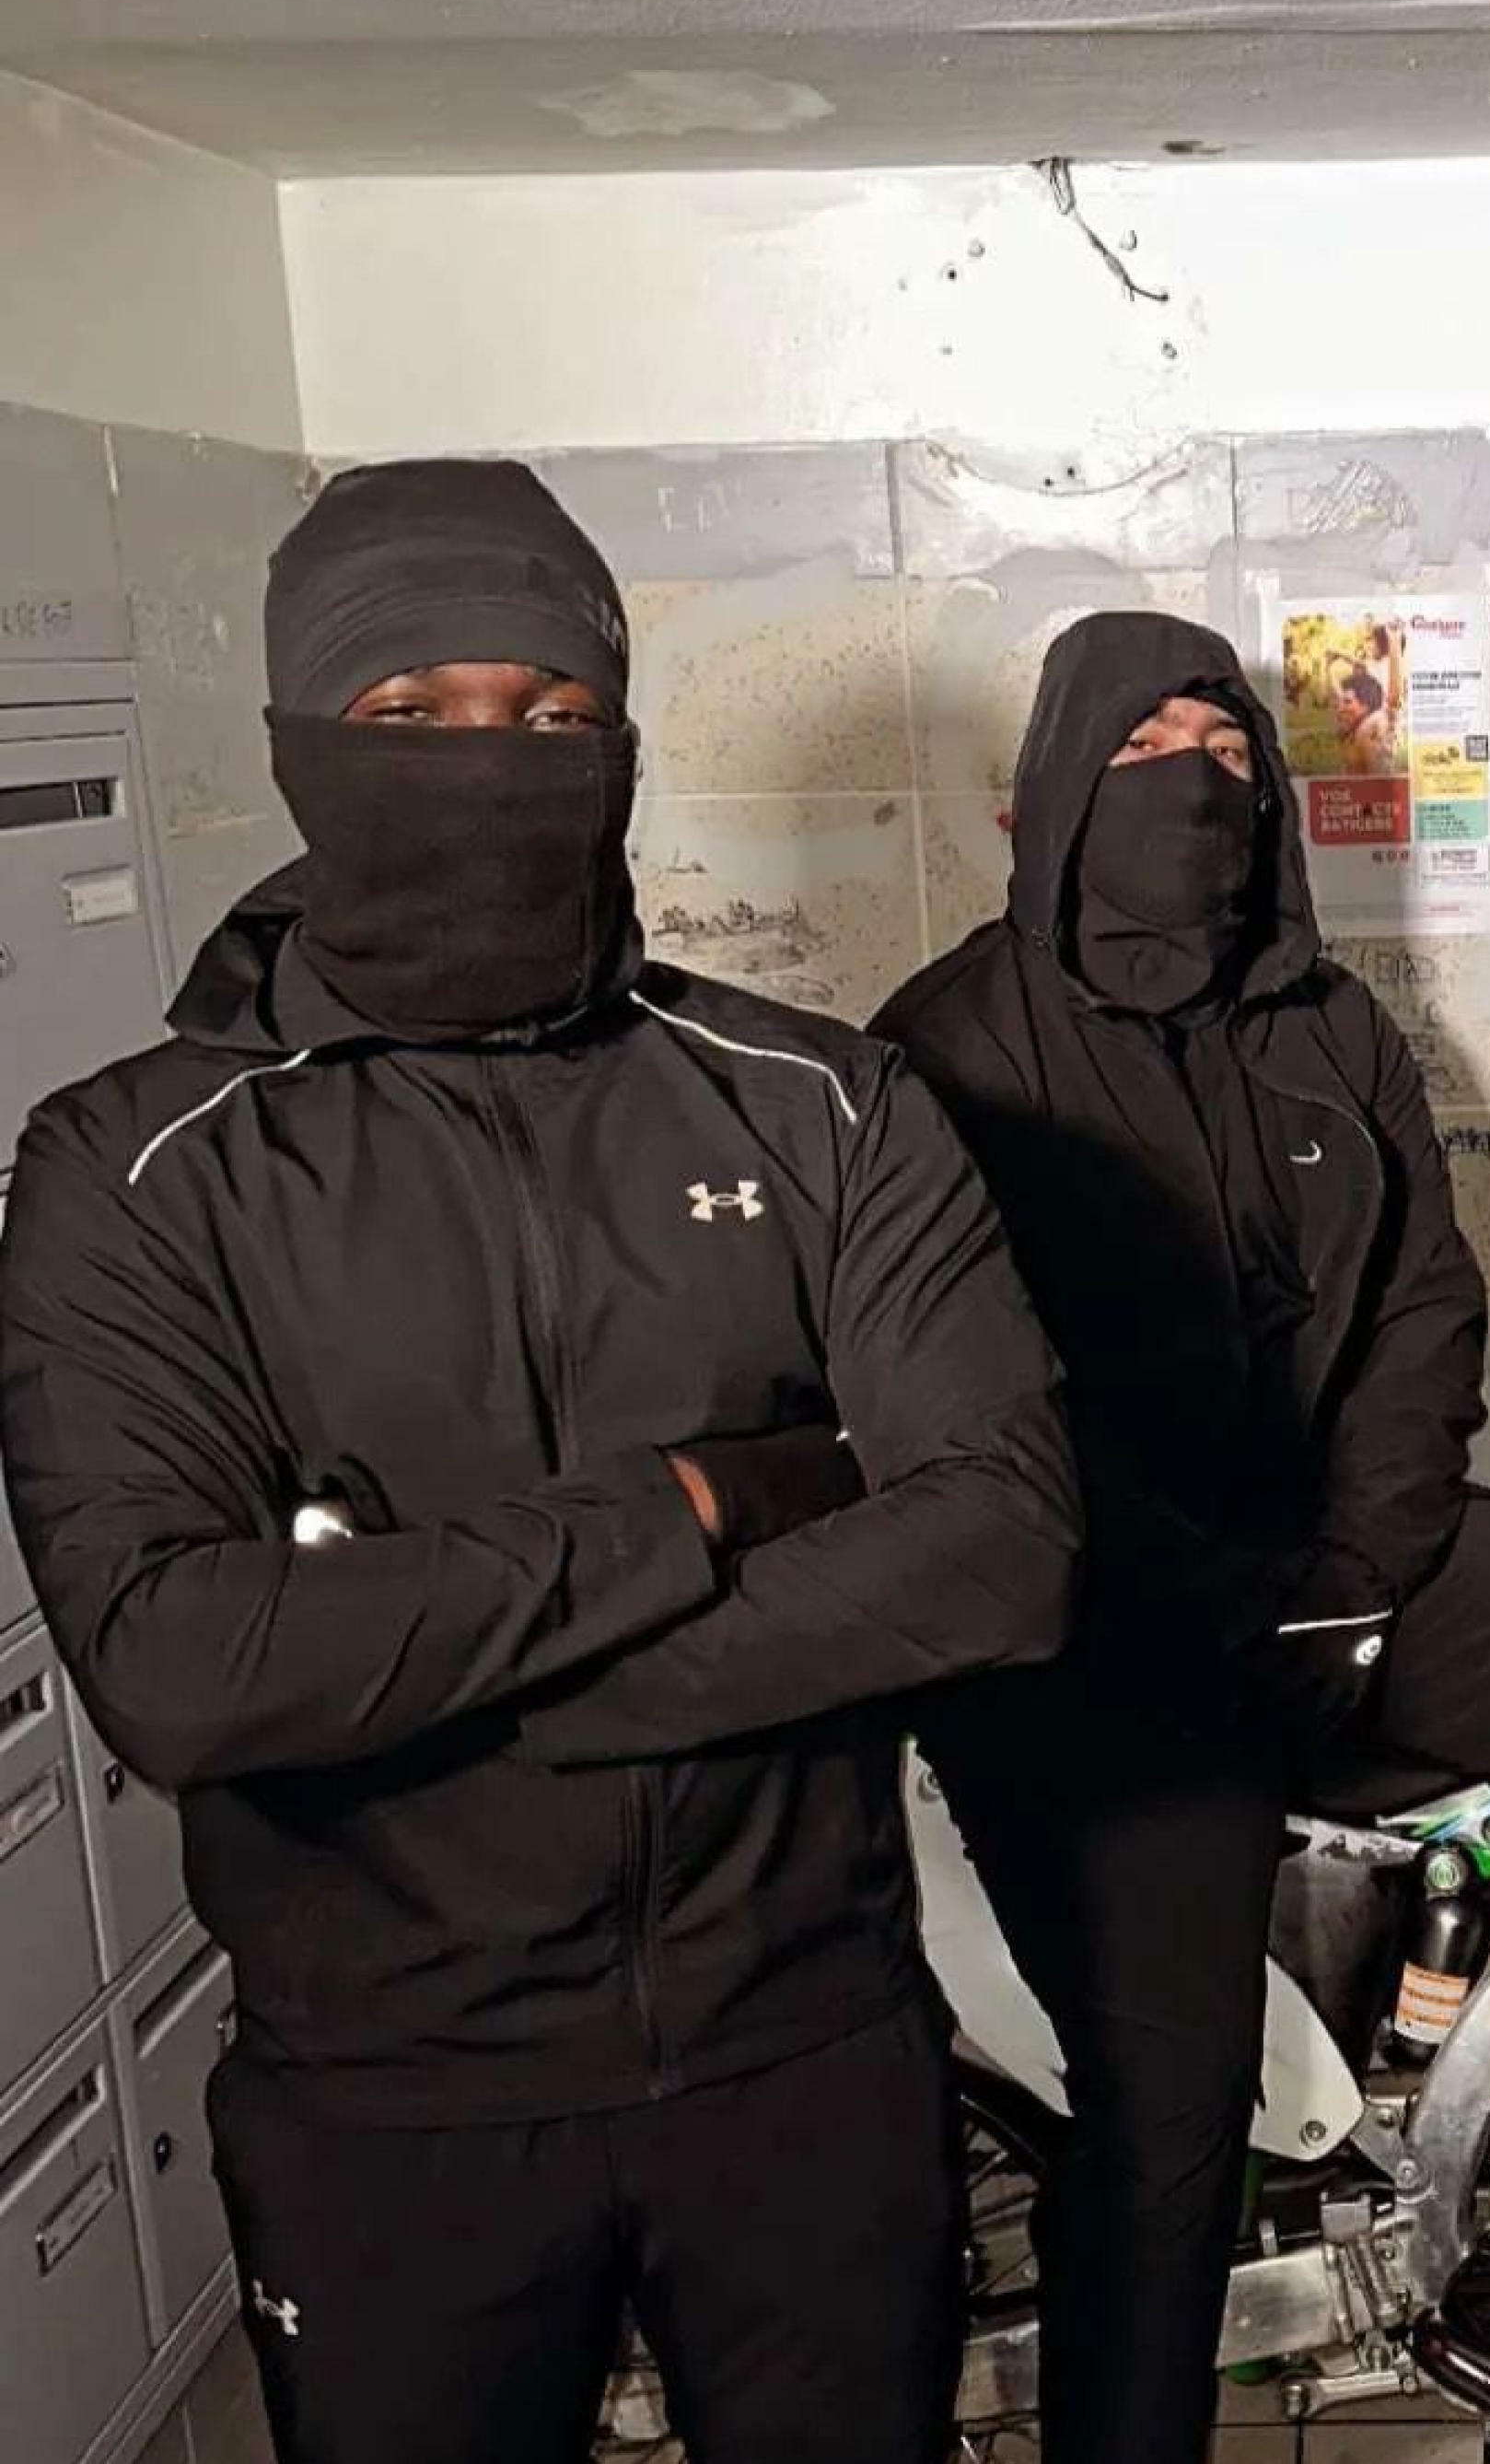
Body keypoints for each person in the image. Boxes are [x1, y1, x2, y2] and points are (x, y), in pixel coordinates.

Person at [0, 461, 1081, 2464]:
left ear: (620, 745)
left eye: (553, 712)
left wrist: (437, 1672)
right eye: (411, 712)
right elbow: (184, 1663)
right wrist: (705, 1500)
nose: (490, 760)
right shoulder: (135, 1167)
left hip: (808, 2052)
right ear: (301, 744)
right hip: (391, 2100)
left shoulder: (825, 1105)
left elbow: (1000, 1549)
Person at [872, 610, 1490, 2464]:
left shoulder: (1329, 1025)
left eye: (1227, 751)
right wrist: (1240, 1603)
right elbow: (980, 1412)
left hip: (1341, 1554)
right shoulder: (942, 1054)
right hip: (1092, 1627)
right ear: (1053, 792)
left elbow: (1427, 1308)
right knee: (1170, 2115)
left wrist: (1357, 1567)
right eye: (1143, 751)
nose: (1195, 785)